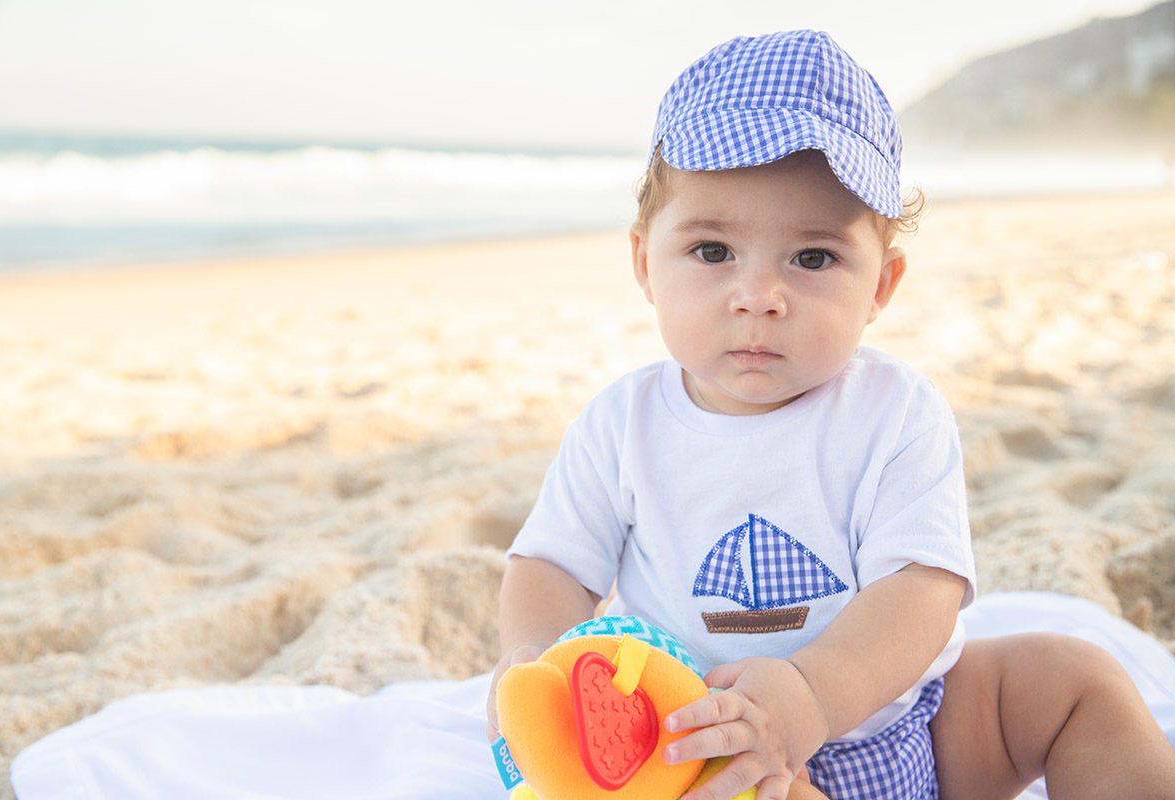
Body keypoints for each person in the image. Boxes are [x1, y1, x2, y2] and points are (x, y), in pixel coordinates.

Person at [486, 30, 1175, 800]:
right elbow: (551, 564)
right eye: (713, 252)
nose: (758, 295)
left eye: (812, 258)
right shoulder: (622, 425)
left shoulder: (897, 412)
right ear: (647, 262)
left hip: (912, 724)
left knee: (1075, 678)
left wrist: (811, 694)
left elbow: (922, 588)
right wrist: (532, 656)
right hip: (710, 757)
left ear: (881, 285)